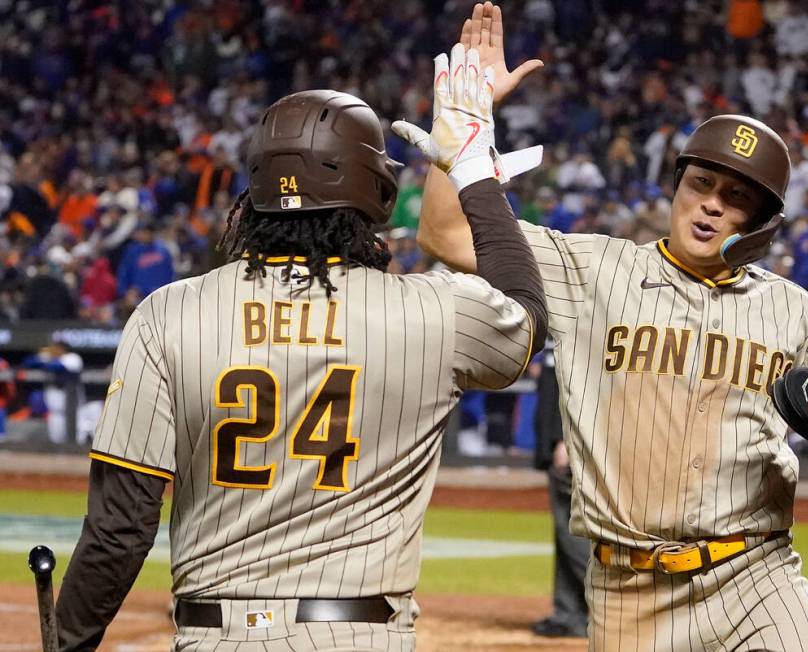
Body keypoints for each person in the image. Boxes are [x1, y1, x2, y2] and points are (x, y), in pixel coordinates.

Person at [416, 5, 808, 649]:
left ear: (759, 226)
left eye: (735, 199)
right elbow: (444, 232)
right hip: (630, 594)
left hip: (756, 576)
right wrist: (465, 121)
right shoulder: (592, 267)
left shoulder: (792, 308)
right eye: (701, 184)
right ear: (677, 187)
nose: (711, 203)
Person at [54, 47, 548, 651]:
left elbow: (119, 531)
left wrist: (68, 644)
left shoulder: (167, 313)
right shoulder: (433, 312)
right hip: (362, 636)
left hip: (215, 638)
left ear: (255, 188)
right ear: (377, 192)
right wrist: (470, 166)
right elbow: (527, 310)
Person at [531, 337, 589, 638]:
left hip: (570, 437)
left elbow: (582, 379)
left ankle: (600, 600)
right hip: (558, 427)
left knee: (573, 528)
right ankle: (569, 613)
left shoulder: (581, 311)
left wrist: (565, 436)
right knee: (563, 525)